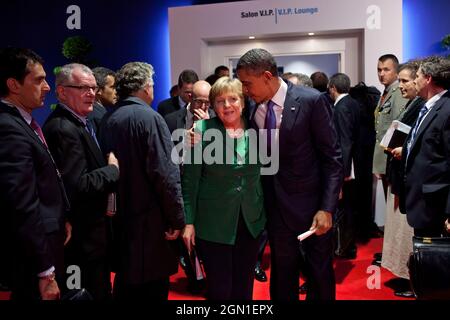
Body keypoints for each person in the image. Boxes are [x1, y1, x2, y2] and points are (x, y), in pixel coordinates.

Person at [236, 48, 342, 301]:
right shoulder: (251, 108)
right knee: (283, 274)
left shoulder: (311, 101)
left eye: (247, 83)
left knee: (318, 273)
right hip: (275, 208)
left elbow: (332, 158)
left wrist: (327, 208)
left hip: (312, 207)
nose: (245, 90)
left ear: (267, 76)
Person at [99, 62, 185, 301]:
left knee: (127, 285)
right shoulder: (151, 118)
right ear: (146, 87)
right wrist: (177, 218)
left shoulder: (108, 118)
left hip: (120, 219)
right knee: (152, 289)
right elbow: (165, 174)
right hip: (150, 223)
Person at [182, 77, 266, 300]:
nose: (227, 105)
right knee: (220, 289)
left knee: (244, 287)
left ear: (243, 102)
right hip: (213, 224)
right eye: (219, 101)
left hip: (251, 221)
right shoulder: (200, 131)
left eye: (232, 99)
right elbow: (190, 181)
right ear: (212, 105)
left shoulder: (257, 128)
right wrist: (188, 222)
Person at [43, 63, 120, 300]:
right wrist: (112, 170)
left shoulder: (80, 121)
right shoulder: (63, 127)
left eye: (93, 88)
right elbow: (78, 186)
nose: (91, 93)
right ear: (62, 92)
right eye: (82, 88)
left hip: (91, 238)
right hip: (80, 241)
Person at [0, 47, 70, 300]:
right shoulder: (9, 128)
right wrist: (45, 272)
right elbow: (22, 205)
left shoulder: (22, 122)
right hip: (34, 260)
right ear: (13, 85)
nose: (47, 87)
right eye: (38, 80)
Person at [381, 61, 424, 298]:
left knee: (408, 233)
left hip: (409, 179)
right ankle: (409, 277)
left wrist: (401, 149)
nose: (403, 86)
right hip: (399, 174)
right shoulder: (413, 104)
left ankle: (414, 280)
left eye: (407, 80)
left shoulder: (421, 106)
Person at [401, 56, 450, 237]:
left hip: (436, 206)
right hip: (421, 202)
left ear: (428, 79)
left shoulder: (447, 110)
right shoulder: (428, 107)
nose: (414, 81)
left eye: (417, 76)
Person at [328, 72, 360, 259]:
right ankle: (348, 246)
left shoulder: (341, 107)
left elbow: (345, 141)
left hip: (348, 168)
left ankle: (346, 247)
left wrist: (344, 172)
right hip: (355, 164)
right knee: (348, 208)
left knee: (345, 209)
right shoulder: (353, 103)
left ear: (333, 88)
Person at [88, 67, 117, 134]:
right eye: (113, 87)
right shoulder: (99, 118)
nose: (116, 92)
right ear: (98, 90)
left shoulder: (90, 113)